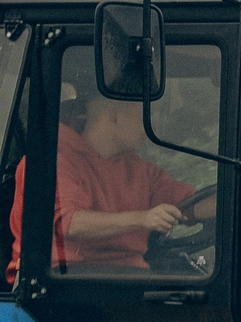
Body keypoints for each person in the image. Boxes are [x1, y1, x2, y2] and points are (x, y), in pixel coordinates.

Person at [8, 89, 203, 280]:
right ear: (114, 117)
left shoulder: (141, 170)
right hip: (62, 282)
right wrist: (143, 219)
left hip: (124, 279)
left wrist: (227, 205)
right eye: (144, 117)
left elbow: (187, 204)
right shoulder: (51, 161)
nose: (152, 128)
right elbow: (69, 223)